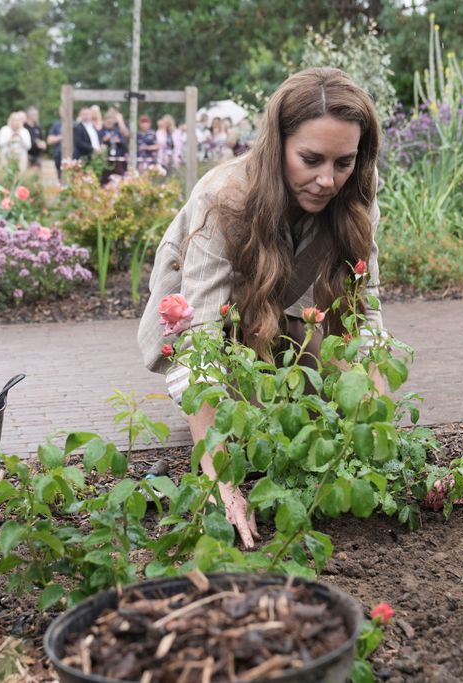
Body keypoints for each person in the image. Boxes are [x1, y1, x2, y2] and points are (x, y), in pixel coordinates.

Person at [137, 67, 385, 548]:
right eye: (310, 159)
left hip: (275, 310)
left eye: (343, 161)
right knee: (235, 432)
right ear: (277, 145)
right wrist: (221, 482)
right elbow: (200, 337)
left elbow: (366, 314)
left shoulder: (357, 196)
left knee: (316, 402)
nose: (327, 180)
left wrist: (375, 433)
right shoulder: (224, 196)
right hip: (199, 316)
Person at [99, 107, 129, 183]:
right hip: (105, 159)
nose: (109, 124)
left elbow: (125, 144)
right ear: (104, 121)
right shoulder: (100, 131)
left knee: (121, 178)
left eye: (111, 123)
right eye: (108, 122)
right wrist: (104, 140)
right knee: (105, 179)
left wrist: (119, 141)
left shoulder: (117, 131)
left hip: (117, 159)